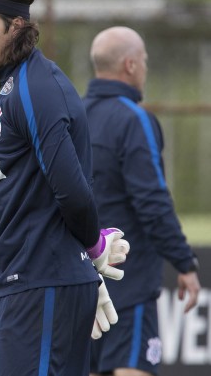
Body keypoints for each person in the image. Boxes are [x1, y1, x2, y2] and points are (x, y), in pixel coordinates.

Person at [0, 0, 129, 376]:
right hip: (33, 283)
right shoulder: (16, 84)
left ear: (15, 26)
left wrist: (91, 250)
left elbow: (71, 189)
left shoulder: (34, 88)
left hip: (41, 286)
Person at [84, 26, 200, 376]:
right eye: (145, 61)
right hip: (127, 283)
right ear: (131, 65)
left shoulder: (71, 116)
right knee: (132, 366)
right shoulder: (134, 119)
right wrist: (184, 262)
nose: (145, 68)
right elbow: (152, 201)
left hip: (79, 281)